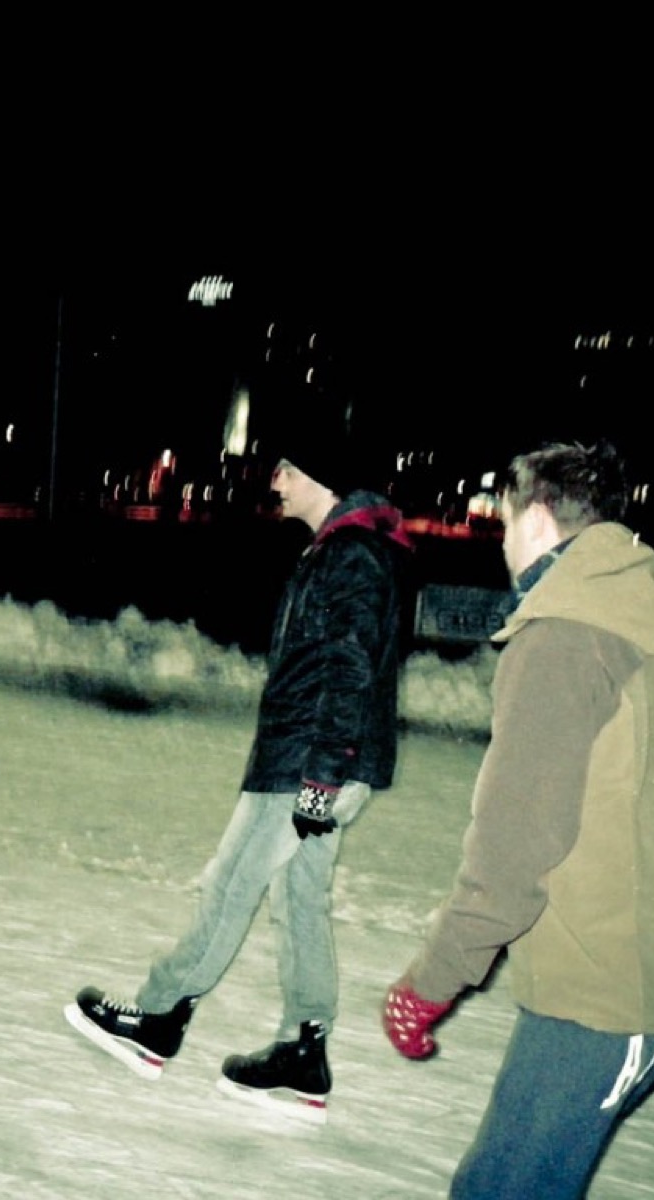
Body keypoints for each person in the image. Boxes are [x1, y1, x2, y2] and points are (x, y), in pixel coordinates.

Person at [381, 440, 654, 1199]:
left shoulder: (562, 641)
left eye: (506, 520)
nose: (503, 538)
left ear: (542, 520)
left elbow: (513, 848)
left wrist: (430, 983)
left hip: (604, 995)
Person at [66, 418, 412, 1124]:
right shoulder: (351, 551)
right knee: (297, 898)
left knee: (232, 883)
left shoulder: (351, 557)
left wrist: (319, 777)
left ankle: (158, 1018)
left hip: (307, 762)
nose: (275, 481)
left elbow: (348, 670)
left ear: (320, 478)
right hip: (321, 760)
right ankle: (303, 1048)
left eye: (286, 469)